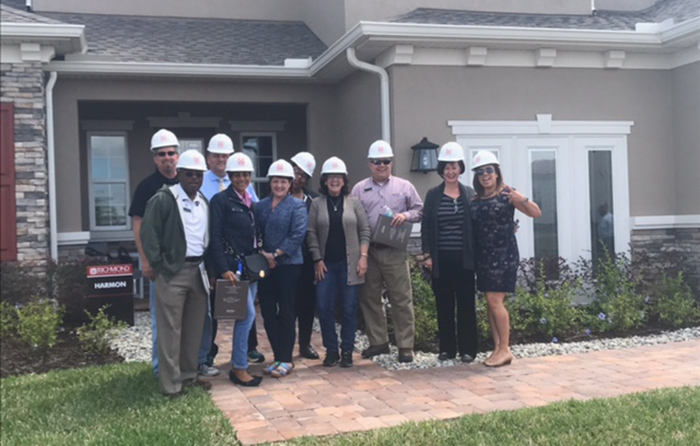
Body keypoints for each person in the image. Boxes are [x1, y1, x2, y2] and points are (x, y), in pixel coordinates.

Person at [140, 150, 212, 396]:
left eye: (198, 174)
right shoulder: (163, 199)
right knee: (170, 330)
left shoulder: (203, 201)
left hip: (198, 271)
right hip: (173, 271)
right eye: (189, 173)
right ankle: (171, 385)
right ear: (179, 174)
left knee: (193, 329)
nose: (194, 178)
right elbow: (149, 235)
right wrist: (159, 265)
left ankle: (189, 375)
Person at [351, 140, 423, 363]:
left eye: (386, 161)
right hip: (368, 250)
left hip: (394, 250)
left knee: (401, 298)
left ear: (391, 162)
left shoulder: (404, 186)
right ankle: (378, 342)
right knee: (370, 298)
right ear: (370, 164)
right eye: (377, 162)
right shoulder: (359, 189)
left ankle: (405, 346)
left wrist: (406, 216)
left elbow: (419, 210)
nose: (381, 165)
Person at [197, 134, 262, 377]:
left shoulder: (249, 200)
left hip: (250, 267)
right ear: (230, 176)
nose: (242, 178)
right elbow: (214, 237)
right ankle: (239, 367)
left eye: (246, 175)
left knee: (243, 316)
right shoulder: (220, 200)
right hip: (231, 268)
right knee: (246, 314)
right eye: (237, 175)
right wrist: (221, 269)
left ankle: (239, 362)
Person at [470, 150, 541, 367]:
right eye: (480, 171)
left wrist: (523, 199)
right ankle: (497, 348)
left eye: (489, 170)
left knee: (495, 301)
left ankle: (505, 349)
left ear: (497, 172)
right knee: (490, 304)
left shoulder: (508, 194)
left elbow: (536, 212)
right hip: (483, 257)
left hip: (504, 256)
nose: (485, 175)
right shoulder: (475, 200)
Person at [307, 157, 370, 368]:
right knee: (324, 307)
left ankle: (347, 351)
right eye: (330, 177)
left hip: (350, 266)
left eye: (338, 177)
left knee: (349, 308)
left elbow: (365, 231)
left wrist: (363, 257)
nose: (335, 180)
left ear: (344, 180)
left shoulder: (354, 203)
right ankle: (331, 350)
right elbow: (311, 233)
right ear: (324, 181)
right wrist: (317, 259)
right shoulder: (317, 204)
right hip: (326, 266)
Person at [128, 128, 180, 376]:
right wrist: (144, 260)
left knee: (187, 319)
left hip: (187, 263)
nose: (167, 157)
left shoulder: (188, 181)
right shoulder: (146, 186)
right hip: (159, 265)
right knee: (161, 318)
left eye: (171, 152)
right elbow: (137, 223)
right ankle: (161, 369)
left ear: (177, 155)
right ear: (154, 158)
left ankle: (186, 364)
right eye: (162, 154)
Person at [421, 142, 478, 363]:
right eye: (446, 167)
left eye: (454, 166)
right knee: (444, 305)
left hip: (465, 260)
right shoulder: (433, 195)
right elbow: (426, 226)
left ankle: (468, 349)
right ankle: (447, 349)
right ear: (441, 170)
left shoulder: (470, 194)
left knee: (466, 305)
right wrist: (427, 255)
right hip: (441, 261)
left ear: (461, 168)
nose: (451, 171)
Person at [255, 160, 308, 378]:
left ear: (290, 184)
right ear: (270, 182)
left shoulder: (297, 206)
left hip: (288, 265)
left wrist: (276, 254)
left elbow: (298, 234)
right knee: (267, 311)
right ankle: (277, 356)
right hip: (265, 265)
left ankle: (286, 359)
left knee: (286, 310)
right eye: (275, 181)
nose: (279, 185)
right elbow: (255, 232)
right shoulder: (259, 206)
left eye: (283, 181)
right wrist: (263, 254)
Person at [290, 151, 320, 360]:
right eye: (296, 172)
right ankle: (285, 345)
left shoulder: (314, 200)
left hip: (308, 260)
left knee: (307, 305)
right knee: (287, 306)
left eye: (303, 175)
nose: (298, 177)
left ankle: (305, 344)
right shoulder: (278, 195)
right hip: (286, 261)